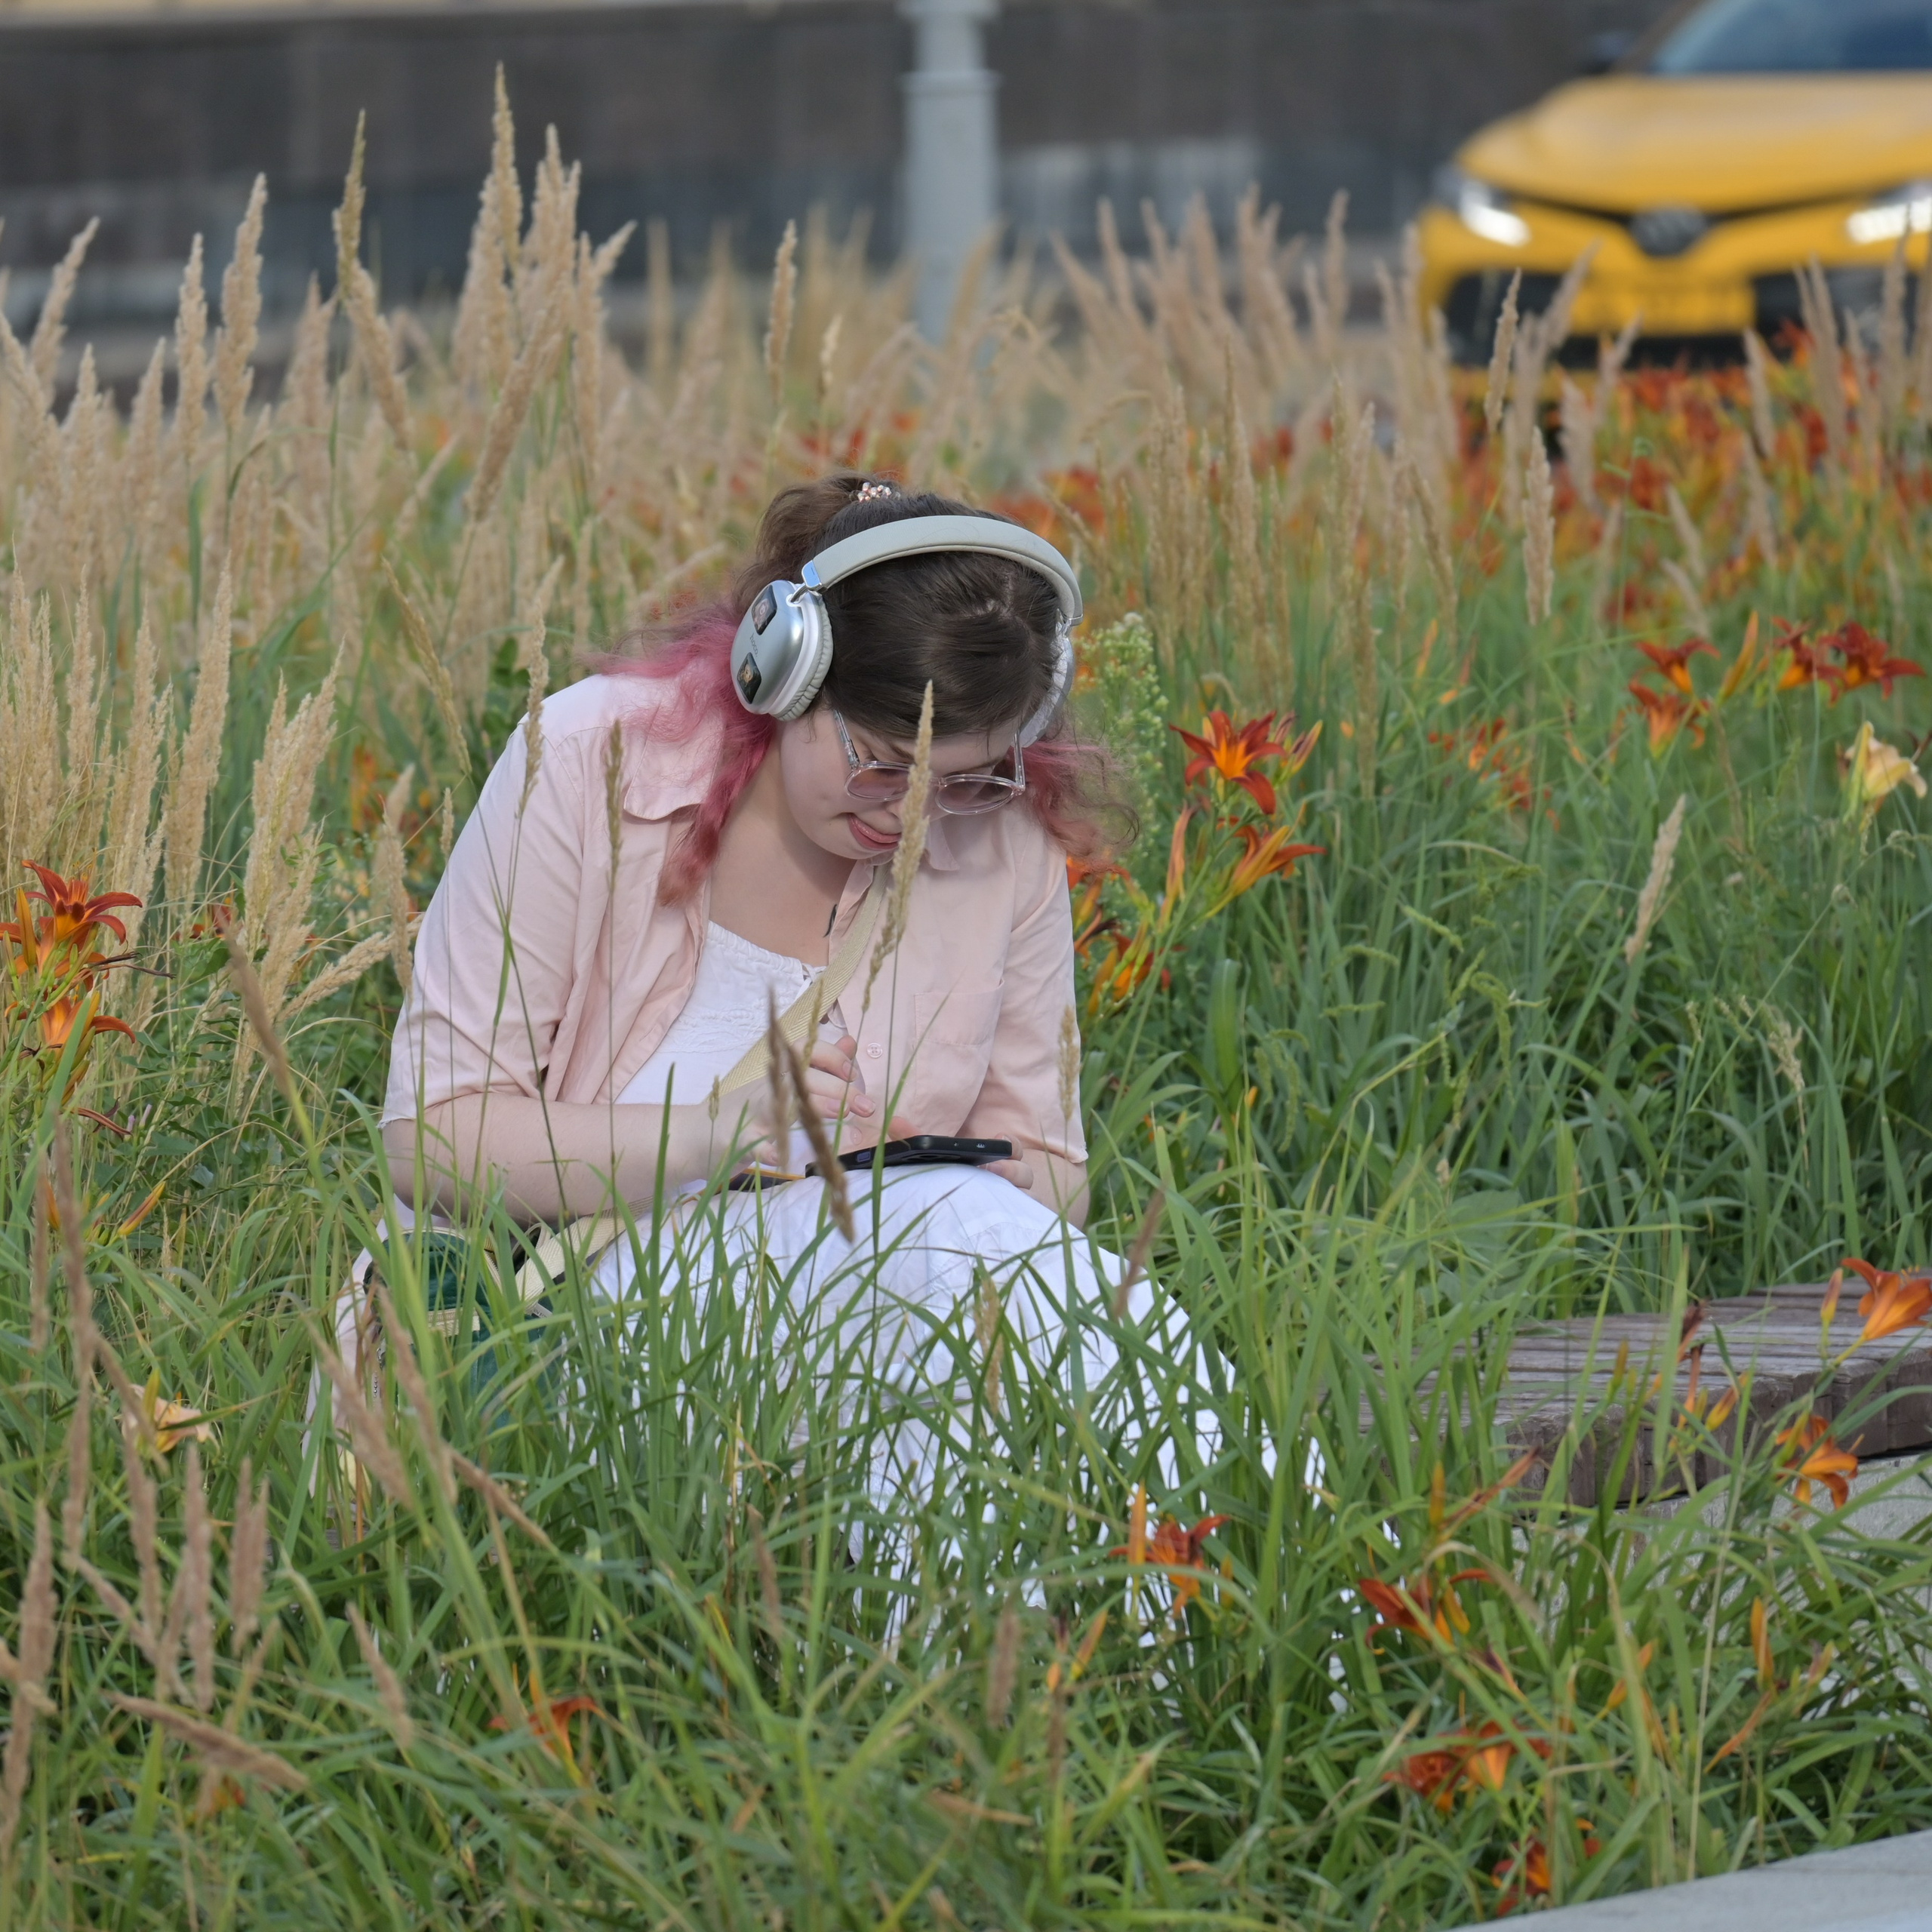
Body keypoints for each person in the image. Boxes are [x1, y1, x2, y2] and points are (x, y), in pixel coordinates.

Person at [377, 476, 1146, 1473]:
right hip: (559, 1324)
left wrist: (945, 1169)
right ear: (786, 672)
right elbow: (428, 1141)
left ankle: (1212, 1547)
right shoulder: (582, 762)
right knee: (947, 1240)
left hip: (885, 1300)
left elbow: (1054, 1180)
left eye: (962, 781)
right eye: (881, 762)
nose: (912, 816)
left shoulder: (1008, 844)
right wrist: (718, 1133)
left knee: (965, 1253)